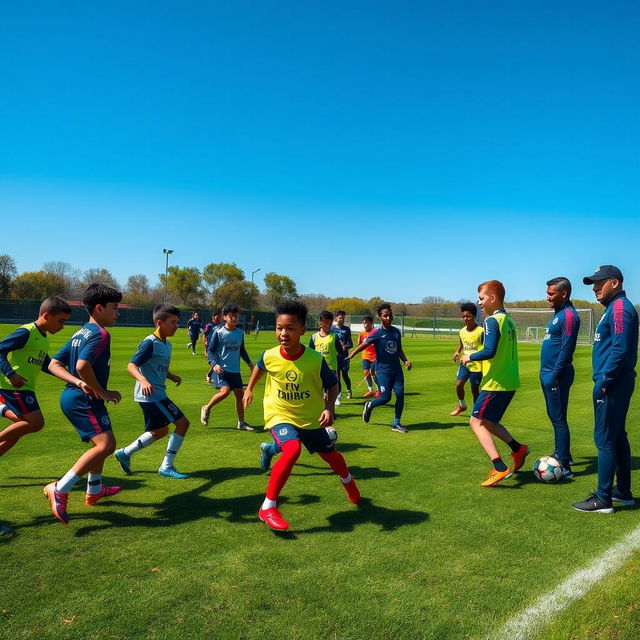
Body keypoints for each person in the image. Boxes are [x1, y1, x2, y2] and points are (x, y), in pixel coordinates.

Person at [243, 299, 360, 531]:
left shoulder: (314, 360)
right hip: (279, 414)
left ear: (302, 331)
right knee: (292, 449)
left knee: (332, 457)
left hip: (310, 418)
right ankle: (268, 507)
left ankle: (348, 482)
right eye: (279, 328)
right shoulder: (270, 355)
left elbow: (333, 384)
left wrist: (329, 407)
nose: (283, 333)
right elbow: (259, 366)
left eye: (290, 328)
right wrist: (249, 388)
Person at [44, 284, 123, 524]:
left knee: (103, 441)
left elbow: (53, 364)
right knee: (106, 444)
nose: (117, 313)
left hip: (79, 396)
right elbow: (81, 367)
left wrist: (80, 384)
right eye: (114, 308)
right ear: (99, 308)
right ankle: (59, 487)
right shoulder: (100, 334)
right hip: (82, 400)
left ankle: (95, 489)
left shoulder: (80, 333)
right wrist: (100, 391)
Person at [571, 266, 638, 513]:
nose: (595, 288)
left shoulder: (620, 308)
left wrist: (604, 382)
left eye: (599, 283)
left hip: (613, 383)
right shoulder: (613, 308)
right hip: (615, 382)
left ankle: (603, 499)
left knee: (605, 438)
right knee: (617, 435)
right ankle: (622, 492)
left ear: (615, 282)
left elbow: (619, 350)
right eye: (593, 283)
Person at [0, 297, 94, 457]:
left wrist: (72, 378)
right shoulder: (27, 332)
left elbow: (47, 365)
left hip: (25, 388)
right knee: (36, 423)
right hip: (15, 386)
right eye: (60, 321)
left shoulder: (43, 338)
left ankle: (2, 409)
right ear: (46, 315)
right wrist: (11, 373)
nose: (62, 327)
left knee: (18, 430)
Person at [460, 281, 529, 487]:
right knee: (489, 422)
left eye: (481, 298)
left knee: (476, 422)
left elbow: (489, 351)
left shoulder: (491, 321)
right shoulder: (508, 320)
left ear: (492, 298)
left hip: (495, 382)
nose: (479, 303)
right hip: (509, 381)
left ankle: (499, 467)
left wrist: (469, 356)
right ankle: (518, 449)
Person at [114, 304, 190, 480]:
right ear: (159, 323)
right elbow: (131, 365)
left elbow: (157, 367)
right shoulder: (150, 343)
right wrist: (143, 380)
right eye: (173, 322)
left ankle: (125, 453)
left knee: (160, 431)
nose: (176, 326)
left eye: (177, 322)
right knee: (182, 423)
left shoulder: (167, 345)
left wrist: (170, 376)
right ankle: (166, 466)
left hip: (157, 393)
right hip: (150, 395)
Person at [347, 303, 412, 433]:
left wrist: (405, 361)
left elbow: (399, 349)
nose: (388, 318)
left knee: (400, 394)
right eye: (385, 316)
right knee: (385, 398)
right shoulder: (376, 333)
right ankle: (370, 405)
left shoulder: (396, 332)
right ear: (379, 317)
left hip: (397, 370)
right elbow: (363, 345)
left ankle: (396, 423)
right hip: (383, 371)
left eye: (390, 315)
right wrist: (351, 355)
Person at [540, 277, 580, 479]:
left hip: (556, 375)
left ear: (564, 294)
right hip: (549, 374)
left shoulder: (569, 316)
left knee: (558, 419)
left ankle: (564, 465)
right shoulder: (559, 314)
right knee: (557, 417)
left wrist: (555, 375)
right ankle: (565, 454)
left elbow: (567, 348)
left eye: (551, 293)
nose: (547, 297)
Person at [200, 304, 254, 430]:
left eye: (236, 316)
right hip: (222, 369)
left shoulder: (240, 333)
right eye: (231, 316)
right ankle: (206, 408)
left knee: (239, 395)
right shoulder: (218, 332)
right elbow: (211, 351)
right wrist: (214, 364)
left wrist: (249, 363)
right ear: (224, 317)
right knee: (224, 392)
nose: (234, 319)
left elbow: (242, 350)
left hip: (235, 370)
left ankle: (241, 423)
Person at [450, 302, 484, 416]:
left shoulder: (481, 331)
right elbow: (462, 343)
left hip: (477, 366)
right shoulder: (462, 331)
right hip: (464, 364)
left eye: (468, 316)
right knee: (459, 384)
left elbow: (487, 349)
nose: (465, 318)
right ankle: (462, 405)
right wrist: (457, 352)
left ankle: (476, 412)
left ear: (474, 316)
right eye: (463, 316)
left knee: (475, 390)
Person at [309, 310, 342, 405]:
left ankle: (331, 412)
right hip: (318, 368)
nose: (328, 325)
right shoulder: (314, 337)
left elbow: (340, 351)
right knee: (320, 392)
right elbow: (311, 353)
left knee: (330, 391)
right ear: (320, 324)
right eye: (326, 323)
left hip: (331, 368)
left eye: (330, 323)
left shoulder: (334, 337)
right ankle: (322, 411)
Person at [333, 310, 353, 402]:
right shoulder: (332, 329)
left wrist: (345, 346)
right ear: (336, 318)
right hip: (335, 356)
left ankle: (349, 390)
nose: (341, 319)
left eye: (343, 318)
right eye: (340, 317)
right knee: (337, 376)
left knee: (345, 374)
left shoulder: (346, 329)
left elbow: (351, 344)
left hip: (344, 357)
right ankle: (339, 395)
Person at [357, 315, 379, 398]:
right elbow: (359, 345)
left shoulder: (376, 333)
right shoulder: (362, 334)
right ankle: (370, 390)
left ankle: (378, 389)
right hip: (365, 356)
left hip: (375, 357)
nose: (365, 325)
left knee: (372, 371)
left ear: (371, 323)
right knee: (366, 372)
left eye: (367, 323)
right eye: (364, 323)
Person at [203, 309, 223, 382]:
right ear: (213, 317)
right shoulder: (209, 326)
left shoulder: (221, 325)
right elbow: (204, 335)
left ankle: (210, 375)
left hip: (218, 346)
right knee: (216, 361)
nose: (219, 318)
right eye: (218, 317)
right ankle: (211, 375)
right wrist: (205, 348)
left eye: (220, 317)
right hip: (210, 347)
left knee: (218, 361)